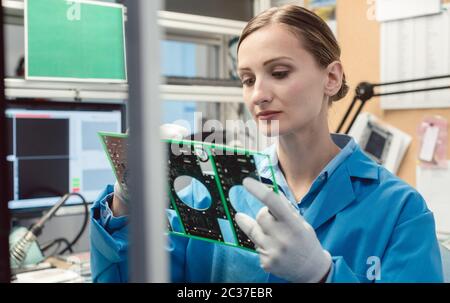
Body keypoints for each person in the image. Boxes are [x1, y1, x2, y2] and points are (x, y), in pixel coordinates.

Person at [90, 5, 443, 283]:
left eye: (279, 73)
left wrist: (322, 276)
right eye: (247, 79)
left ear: (331, 78)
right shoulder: (213, 192)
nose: (258, 95)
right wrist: (125, 202)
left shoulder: (400, 210)